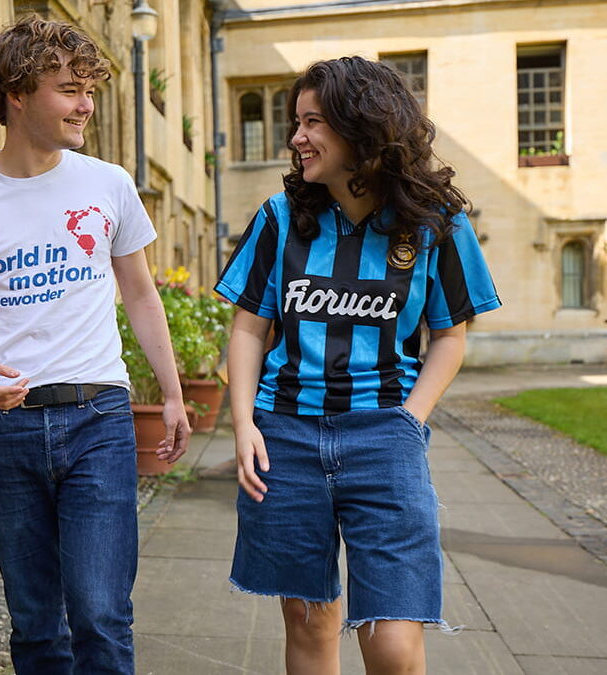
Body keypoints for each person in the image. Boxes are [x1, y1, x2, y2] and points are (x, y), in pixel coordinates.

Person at [0, 15, 190, 675]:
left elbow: (143, 296)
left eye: (88, 87)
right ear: (16, 92)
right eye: (68, 88)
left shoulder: (110, 184)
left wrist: (173, 393)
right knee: (36, 623)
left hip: (99, 418)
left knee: (99, 613)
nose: (86, 103)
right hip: (9, 425)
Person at [215, 56, 501, 674]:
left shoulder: (437, 222)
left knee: (394, 646)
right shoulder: (279, 217)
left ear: (360, 127)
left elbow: (450, 336)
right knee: (310, 623)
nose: (296, 138)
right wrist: (244, 425)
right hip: (283, 439)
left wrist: (409, 420)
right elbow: (248, 326)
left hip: (384, 440)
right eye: (298, 122)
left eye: (312, 122)